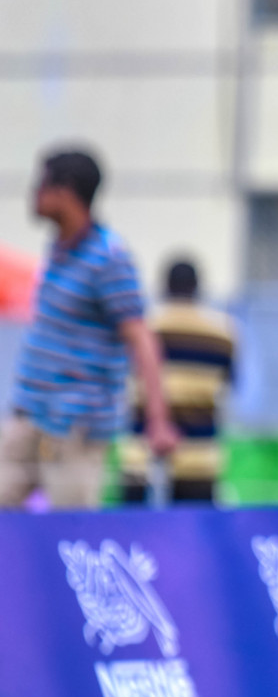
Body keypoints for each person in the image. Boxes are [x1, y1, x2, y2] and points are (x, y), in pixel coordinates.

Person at [0, 148, 178, 509]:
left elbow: (141, 338)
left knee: (70, 536)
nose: (33, 194)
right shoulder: (60, 249)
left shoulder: (107, 258)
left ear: (65, 192)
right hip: (29, 414)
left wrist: (157, 420)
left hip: (74, 429)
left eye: (41, 184)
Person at [120, 259, 236, 504]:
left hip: (142, 456)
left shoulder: (143, 329)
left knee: (139, 539)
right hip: (200, 458)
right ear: (198, 287)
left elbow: (124, 380)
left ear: (164, 286)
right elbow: (229, 386)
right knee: (193, 540)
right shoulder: (224, 332)